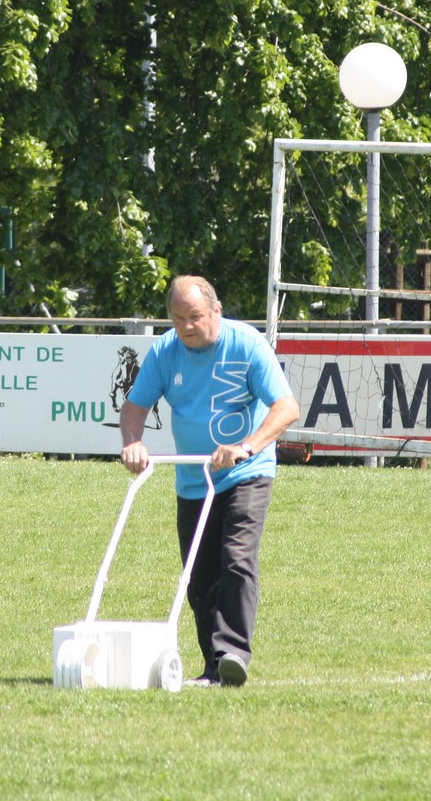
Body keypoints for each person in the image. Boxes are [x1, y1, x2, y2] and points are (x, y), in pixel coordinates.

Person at [119, 275, 300, 687]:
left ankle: (232, 653)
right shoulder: (166, 351)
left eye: (195, 317)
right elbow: (134, 407)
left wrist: (246, 446)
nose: (186, 326)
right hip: (193, 478)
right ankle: (214, 668)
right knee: (199, 577)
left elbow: (287, 407)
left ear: (216, 311)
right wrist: (133, 443)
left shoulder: (247, 344)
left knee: (236, 557)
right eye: (177, 318)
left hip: (245, 472)